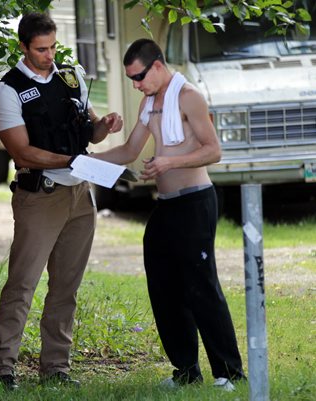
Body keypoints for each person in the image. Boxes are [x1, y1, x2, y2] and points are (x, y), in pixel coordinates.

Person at [92, 38, 246, 391]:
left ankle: (229, 372)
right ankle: (186, 370)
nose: (136, 84)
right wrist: (84, 162)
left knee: (201, 286)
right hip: (166, 205)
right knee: (162, 284)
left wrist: (168, 162)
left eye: (140, 76)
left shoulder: (188, 96)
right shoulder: (149, 102)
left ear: (158, 66)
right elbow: (131, 150)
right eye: (131, 78)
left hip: (195, 201)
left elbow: (213, 150)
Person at [0, 13, 123, 390]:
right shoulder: (7, 90)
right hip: (39, 195)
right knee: (22, 284)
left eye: (52, 47)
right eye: (41, 50)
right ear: (24, 47)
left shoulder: (70, 76)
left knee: (66, 287)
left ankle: (56, 368)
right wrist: (69, 161)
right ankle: (0, 370)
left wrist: (105, 125)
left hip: (80, 194)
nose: (49, 55)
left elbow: (90, 134)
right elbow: (22, 152)